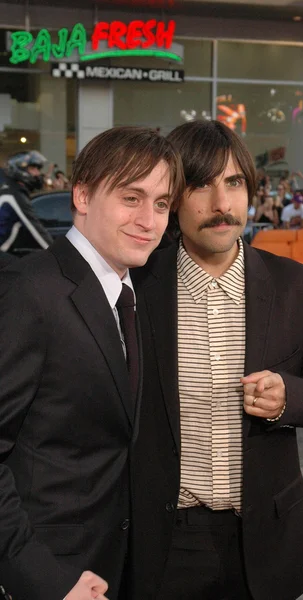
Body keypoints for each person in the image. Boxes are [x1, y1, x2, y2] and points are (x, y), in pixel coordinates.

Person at [131, 120, 303, 600]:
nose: (221, 204)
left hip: (265, 537)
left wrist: (287, 398)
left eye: (233, 183)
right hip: (165, 540)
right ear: (171, 198)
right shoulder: (136, 289)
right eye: (200, 185)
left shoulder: (297, 286)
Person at [0, 126, 184, 600]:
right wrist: (41, 577)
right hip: (53, 573)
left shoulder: (132, 292)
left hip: (119, 566)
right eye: (131, 197)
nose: (149, 219)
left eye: (162, 204)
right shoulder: (29, 292)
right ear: (81, 196)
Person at [0, 152, 53, 254]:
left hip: (5, 251)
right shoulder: (13, 195)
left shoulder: (12, 190)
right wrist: (57, 256)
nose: (37, 173)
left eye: (38, 169)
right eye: (33, 169)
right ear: (20, 170)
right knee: (21, 268)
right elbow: (36, 229)